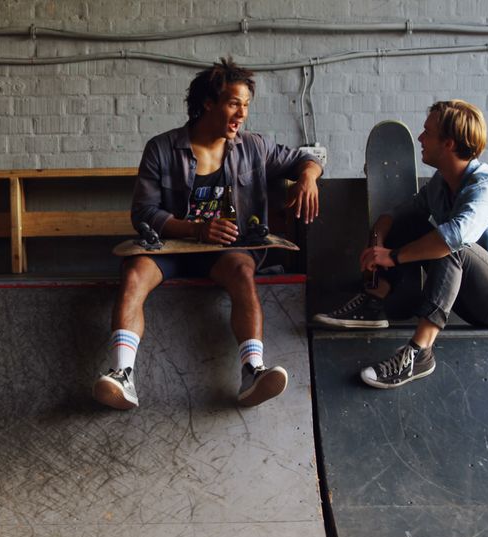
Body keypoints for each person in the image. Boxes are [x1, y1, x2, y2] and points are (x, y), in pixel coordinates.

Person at [94, 58, 324, 410]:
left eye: (246, 105)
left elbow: (306, 158)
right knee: (134, 271)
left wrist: (308, 176)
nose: (242, 114)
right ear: (208, 103)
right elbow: (143, 212)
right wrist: (196, 229)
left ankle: (252, 371)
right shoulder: (161, 148)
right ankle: (122, 375)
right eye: (234, 103)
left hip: (225, 254)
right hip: (170, 250)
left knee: (243, 270)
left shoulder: (253, 147)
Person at [311, 100, 488, 389]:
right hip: (469, 300)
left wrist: (393, 257)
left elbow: (454, 237)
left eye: (427, 133)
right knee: (411, 225)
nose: (420, 139)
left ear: (448, 143)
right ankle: (373, 304)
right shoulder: (442, 183)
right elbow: (397, 214)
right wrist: (379, 241)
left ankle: (420, 352)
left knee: (453, 244)